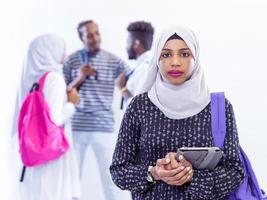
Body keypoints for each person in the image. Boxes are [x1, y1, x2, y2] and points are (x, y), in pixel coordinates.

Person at [110, 25, 245, 199]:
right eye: (166, 54)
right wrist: (155, 173)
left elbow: (235, 171)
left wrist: (191, 177)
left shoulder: (219, 107)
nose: (175, 62)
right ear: (157, 59)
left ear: (195, 57)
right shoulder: (140, 106)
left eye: (184, 54)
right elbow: (118, 170)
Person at [63, 20, 130, 200]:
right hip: (77, 127)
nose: (95, 38)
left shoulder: (113, 60)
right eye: (89, 35)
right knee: (72, 180)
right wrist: (80, 77)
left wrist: (124, 89)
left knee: (111, 179)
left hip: (104, 127)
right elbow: (61, 94)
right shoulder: (72, 60)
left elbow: (133, 77)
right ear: (81, 37)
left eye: (97, 33)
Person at [13, 34, 81, 200]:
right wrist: (71, 103)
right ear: (49, 51)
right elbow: (55, 118)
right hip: (52, 152)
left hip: (34, 149)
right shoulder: (54, 79)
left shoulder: (32, 78)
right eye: (62, 48)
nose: (65, 52)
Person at [118, 21, 154, 106]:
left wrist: (123, 88)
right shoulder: (141, 66)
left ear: (136, 44)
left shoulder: (145, 68)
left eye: (127, 42)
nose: (126, 47)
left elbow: (138, 106)